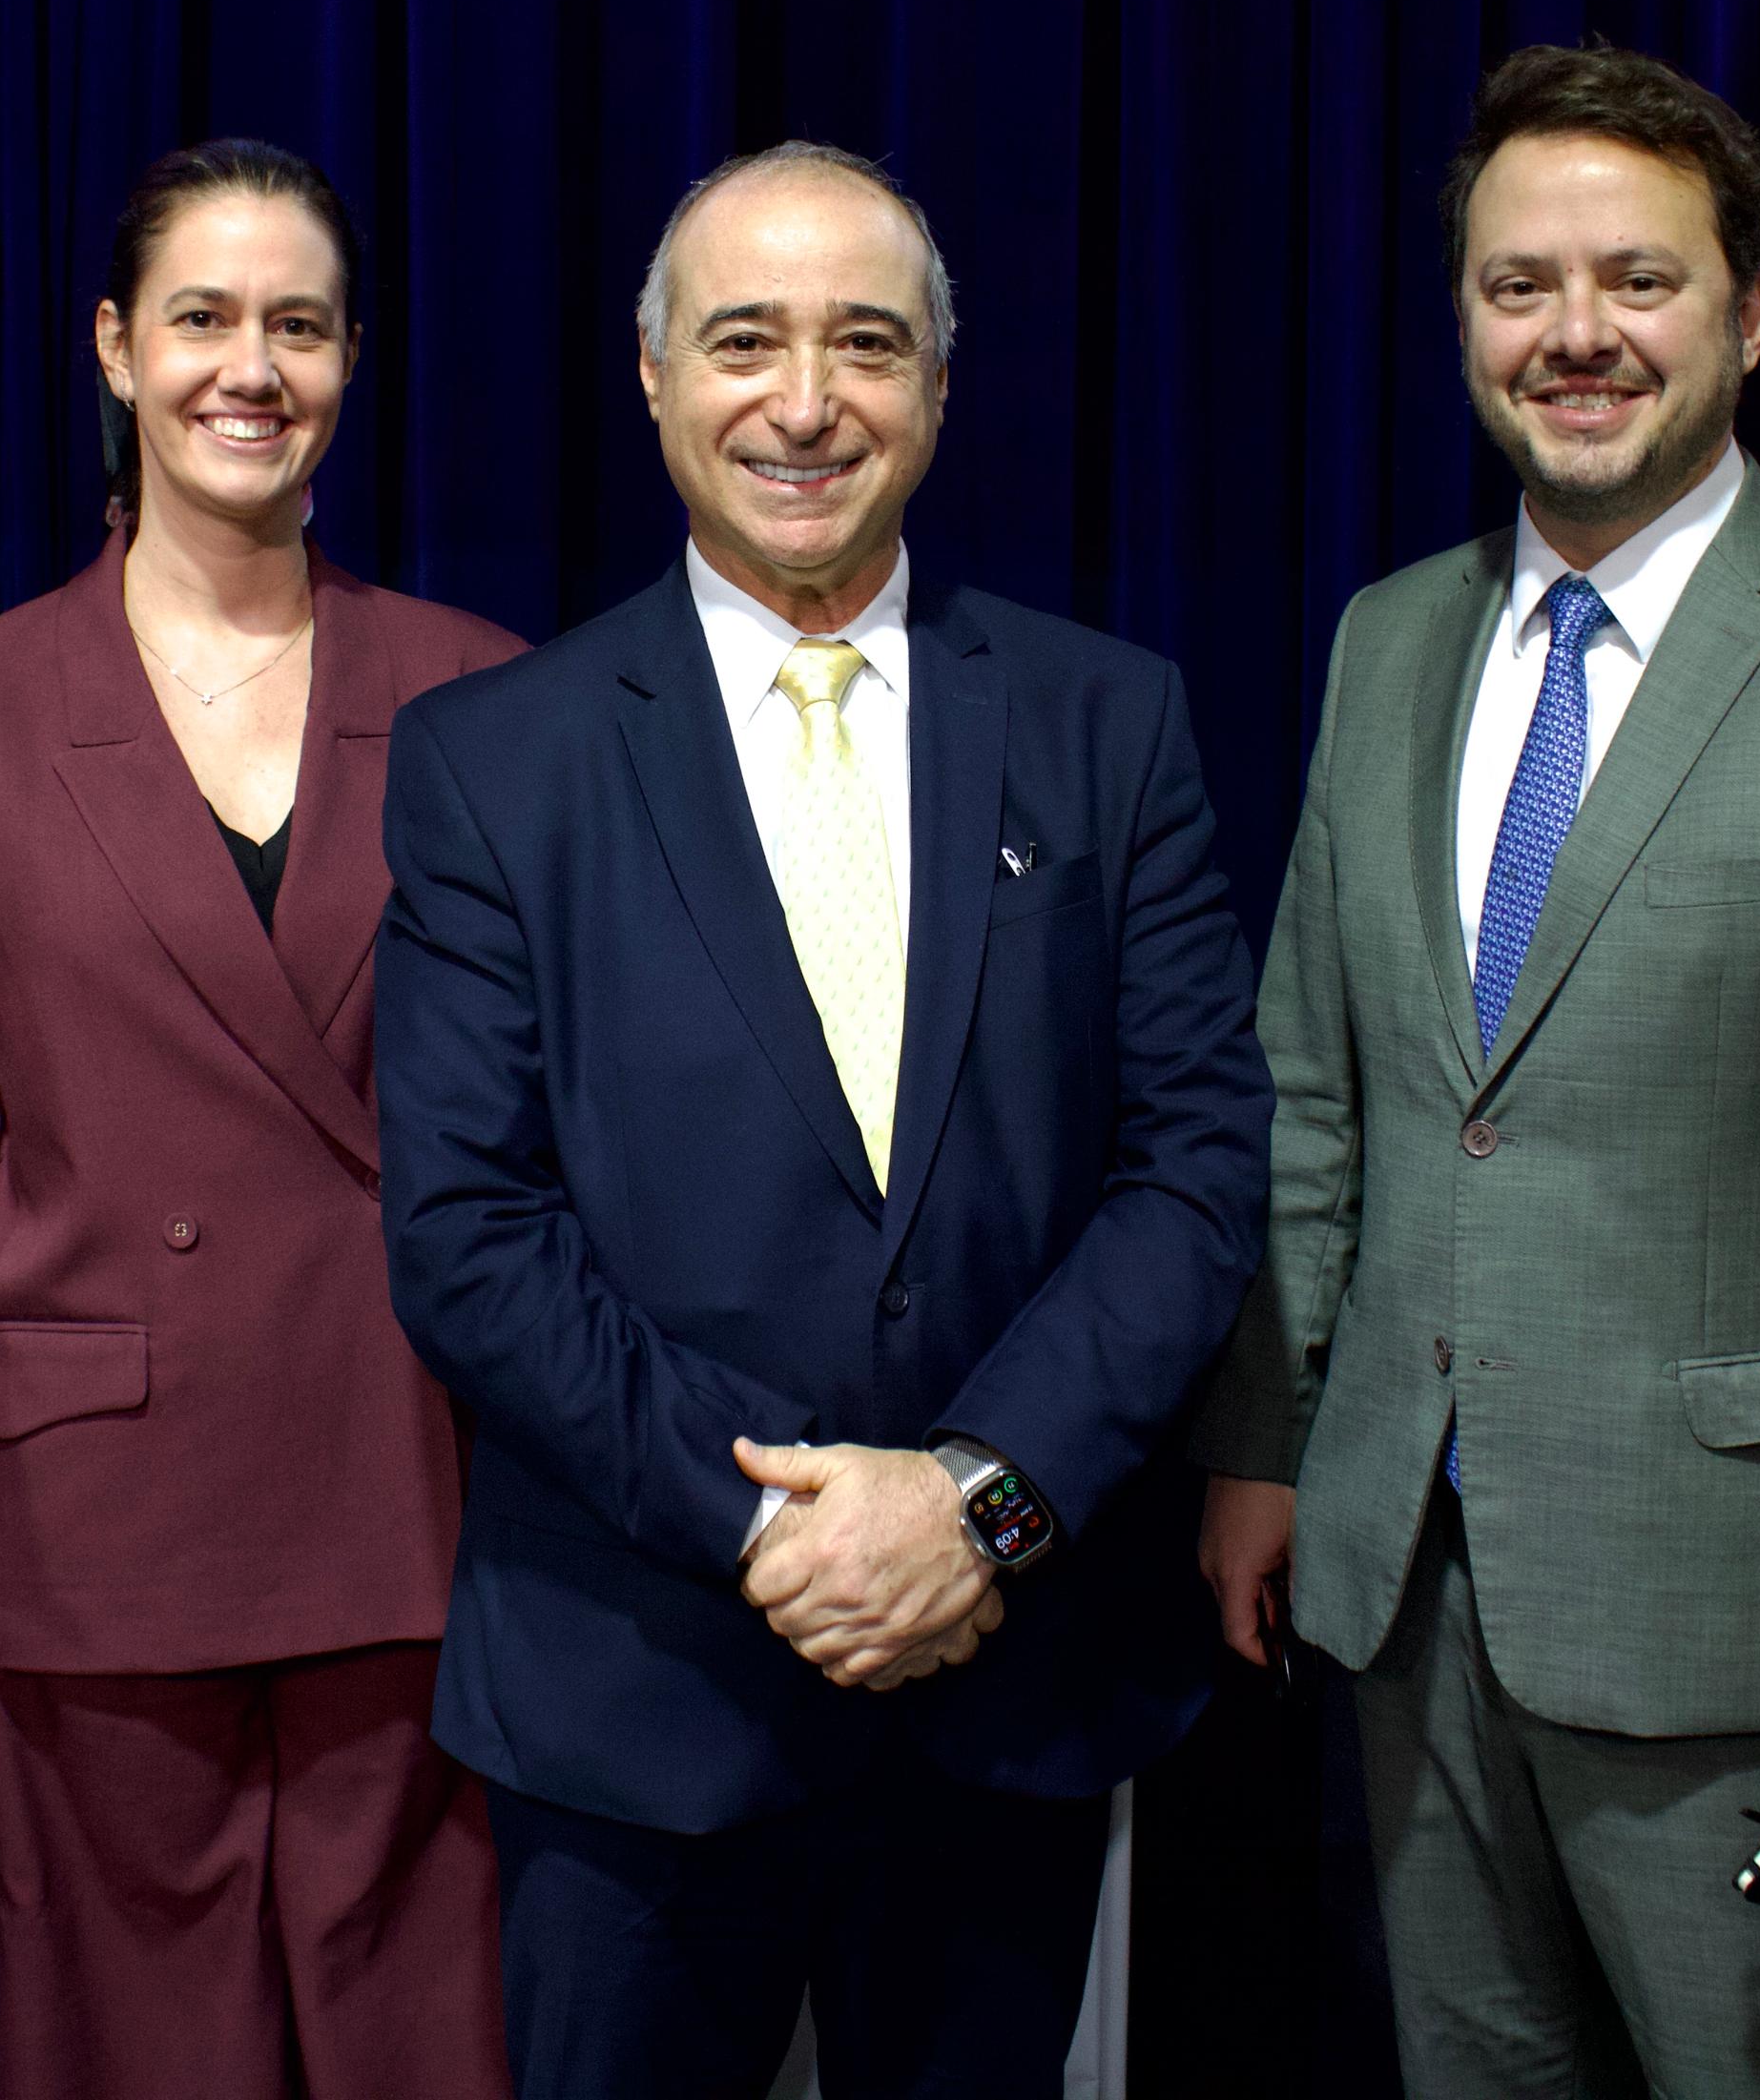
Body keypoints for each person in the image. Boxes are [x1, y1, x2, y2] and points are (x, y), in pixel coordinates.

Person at [1191, 40, 1760, 2095]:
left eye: (1639, 279)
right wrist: (1268, 1443)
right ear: (1464, 322)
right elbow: (1316, 1090)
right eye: (1519, 284)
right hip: (1407, 1596)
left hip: (1748, 1630)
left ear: (1750, 313)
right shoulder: (1387, 640)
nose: (1574, 332)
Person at [375, 139, 1273, 2098]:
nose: (804, 402)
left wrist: (977, 1507)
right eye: (744, 342)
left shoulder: (1108, 722)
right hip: (637, 1699)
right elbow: (467, 1231)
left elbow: (1197, 1168)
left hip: (1005, 1682)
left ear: (938, 385)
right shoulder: (492, 761)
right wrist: (775, 1527)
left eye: (865, 344)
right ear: (653, 378)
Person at [0, 139, 520, 2099]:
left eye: (300, 323)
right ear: (116, 348)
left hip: (412, 1489)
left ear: (353, 360)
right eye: (203, 317)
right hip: (85, 1529)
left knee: (426, 2050)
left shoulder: (481, 695)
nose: (251, 367)